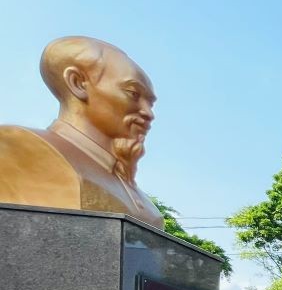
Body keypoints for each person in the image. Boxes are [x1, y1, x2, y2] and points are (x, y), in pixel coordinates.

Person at [0, 36, 163, 227]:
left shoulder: (145, 203)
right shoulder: (16, 148)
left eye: (149, 103)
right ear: (77, 83)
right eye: (133, 94)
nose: (148, 113)